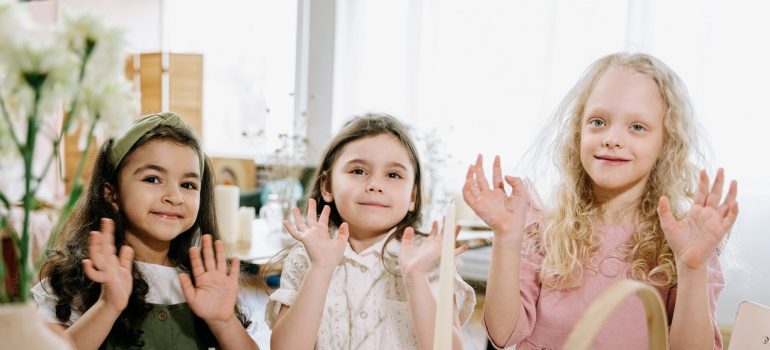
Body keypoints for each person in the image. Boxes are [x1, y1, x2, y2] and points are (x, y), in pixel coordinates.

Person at [463, 53, 738, 350]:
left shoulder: (682, 241)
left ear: (666, 143)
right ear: (577, 132)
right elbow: (503, 335)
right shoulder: (543, 227)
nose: (612, 138)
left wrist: (692, 268)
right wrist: (507, 237)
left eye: (637, 127)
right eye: (598, 121)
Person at [33, 112, 259, 350]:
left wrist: (223, 322)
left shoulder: (203, 281)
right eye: (152, 179)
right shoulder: (75, 280)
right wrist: (107, 306)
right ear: (112, 193)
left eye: (188, 185)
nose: (175, 196)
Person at [267, 113, 476, 349]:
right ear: (327, 186)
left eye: (393, 175)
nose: (375, 185)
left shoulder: (429, 260)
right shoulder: (307, 256)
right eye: (358, 171)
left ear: (413, 196)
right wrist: (321, 268)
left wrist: (416, 278)